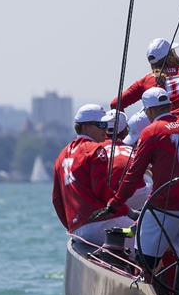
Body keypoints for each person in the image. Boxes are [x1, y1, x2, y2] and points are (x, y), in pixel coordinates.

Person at [94, 87, 179, 270]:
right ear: (169, 106)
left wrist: (115, 203)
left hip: (164, 207)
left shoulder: (152, 131)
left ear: (149, 111)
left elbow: (134, 174)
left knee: (144, 262)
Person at [52, 104, 134, 245]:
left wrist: (72, 227)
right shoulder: (96, 150)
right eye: (100, 124)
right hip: (102, 224)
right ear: (85, 127)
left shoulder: (61, 156)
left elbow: (56, 199)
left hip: (77, 230)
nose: (105, 129)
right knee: (149, 237)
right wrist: (129, 211)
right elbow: (102, 191)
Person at [111, 38, 179, 124]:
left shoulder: (146, 80)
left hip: (162, 129)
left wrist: (123, 127)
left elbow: (115, 103)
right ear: (172, 55)